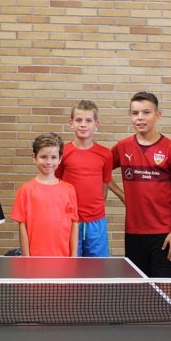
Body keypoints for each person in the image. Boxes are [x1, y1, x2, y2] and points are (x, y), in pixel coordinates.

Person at [111, 92, 171, 278]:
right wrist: (122, 195)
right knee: (138, 287)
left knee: (163, 287)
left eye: (146, 112)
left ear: (157, 115)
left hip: (163, 233)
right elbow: (101, 171)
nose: (140, 118)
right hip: (134, 232)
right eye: (135, 113)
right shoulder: (122, 147)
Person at [55, 100, 117, 257]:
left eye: (88, 120)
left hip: (96, 222)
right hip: (69, 220)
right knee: (69, 265)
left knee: (97, 266)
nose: (83, 125)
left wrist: (94, 211)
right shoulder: (63, 152)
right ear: (71, 123)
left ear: (96, 124)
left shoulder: (105, 154)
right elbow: (56, 184)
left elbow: (104, 186)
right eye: (78, 120)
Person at [10, 132, 79, 257]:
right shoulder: (25, 190)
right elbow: (22, 226)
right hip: (35, 258)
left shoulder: (69, 190)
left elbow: (74, 224)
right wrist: (26, 258)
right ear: (34, 157)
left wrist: (73, 257)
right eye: (43, 157)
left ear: (60, 159)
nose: (48, 162)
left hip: (63, 258)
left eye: (53, 157)